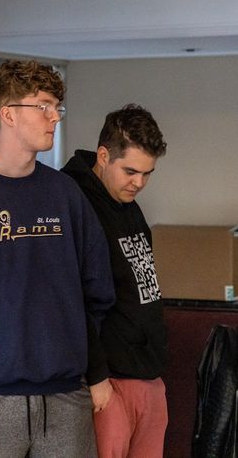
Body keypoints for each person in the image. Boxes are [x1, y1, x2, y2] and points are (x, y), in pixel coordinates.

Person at [0, 59, 116, 458]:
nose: (55, 117)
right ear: (8, 114)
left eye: (57, 107)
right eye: (43, 106)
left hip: (65, 397)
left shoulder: (65, 194)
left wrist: (87, 364)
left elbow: (96, 287)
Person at [61, 104, 168, 457]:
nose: (139, 183)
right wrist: (97, 376)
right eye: (131, 171)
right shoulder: (74, 199)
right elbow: (73, 298)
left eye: (148, 173)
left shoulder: (126, 201)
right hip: (108, 381)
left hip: (147, 374)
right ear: (104, 156)